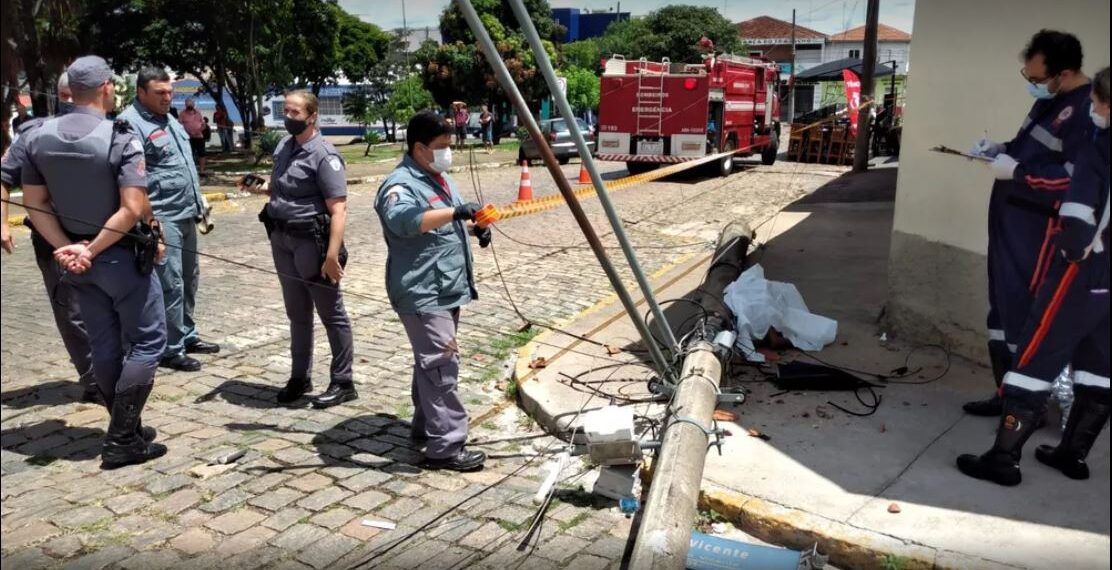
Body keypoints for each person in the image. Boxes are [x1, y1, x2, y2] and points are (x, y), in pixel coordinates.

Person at [958, 67, 1110, 487]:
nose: (1092, 109)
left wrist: (1069, 252)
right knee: (1101, 364)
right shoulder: (1051, 106)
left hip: (1085, 272)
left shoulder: (1100, 148)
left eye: (1098, 103)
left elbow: (1078, 216)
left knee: (1035, 357)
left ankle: (1003, 459)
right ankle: (1072, 455)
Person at [20, 55, 167, 469]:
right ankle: (122, 437)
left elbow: (35, 205)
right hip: (117, 258)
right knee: (148, 342)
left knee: (103, 346)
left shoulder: (37, 136)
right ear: (106, 88)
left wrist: (67, 248)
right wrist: (92, 249)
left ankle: (128, 427)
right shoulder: (120, 136)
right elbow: (131, 207)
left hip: (75, 262)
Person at [963, 30, 1093, 417]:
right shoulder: (1050, 102)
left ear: (1064, 73)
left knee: (1024, 314)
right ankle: (1005, 396)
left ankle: (1028, 407)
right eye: (1028, 77)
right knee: (1001, 310)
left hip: (1037, 230)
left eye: (1037, 80)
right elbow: (1031, 148)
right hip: (1010, 221)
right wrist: (1001, 150)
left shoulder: (1086, 111)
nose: (1032, 86)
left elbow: (1074, 177)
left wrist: (1018, 173)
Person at [373, 111, 492, 472]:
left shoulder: (439, 178)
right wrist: (457, 213)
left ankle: (426, 429)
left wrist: (473, 230)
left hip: (446, 289)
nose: (447, 154)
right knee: (441, 366)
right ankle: (446, 447)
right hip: (422, 292)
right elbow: (405, 221)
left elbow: (440, 229)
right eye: (441, 148)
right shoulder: (400, 185)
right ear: (419, 147)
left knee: (432, 364)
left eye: (449, 147)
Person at [250, 90, 357, 409]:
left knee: (331, 312)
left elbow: (339, 209)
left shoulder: (325, 155)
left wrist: (331, 255)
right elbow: (279, 187)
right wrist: (259, 186)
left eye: (296, 112)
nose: (289, 117)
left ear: (312, 116)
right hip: (281, 238)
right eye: (286, 111)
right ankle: (300, 377)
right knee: (297, 312)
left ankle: (343, 380)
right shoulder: (284, 146)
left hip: (312, 241)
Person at [1, 71, 102, 403]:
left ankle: (113, 370)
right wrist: (2, 224)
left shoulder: (106, 130)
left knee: (109, 307)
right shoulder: (36, 134)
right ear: (65, 97)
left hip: (104, 237)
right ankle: (93, 379)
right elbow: (3, 178)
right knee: (73, 311)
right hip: (56, 239)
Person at [119, 66, 221, 372]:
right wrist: (150, 222)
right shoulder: (130, 124)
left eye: (169, 92)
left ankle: (187, 334)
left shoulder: (170, 119)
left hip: (186, 212)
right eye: (160, 93)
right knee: (170, 283)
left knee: (190, 279)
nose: (167, 97)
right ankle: (169, 347)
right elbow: (133, 178)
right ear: (141, 92)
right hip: (162, 216)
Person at [178, 97, 206, 176]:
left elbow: (204, 125)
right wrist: (187, 133)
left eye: (191, 103)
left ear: (193, 104)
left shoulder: (198, 113)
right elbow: (179, 125)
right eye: (188, 103)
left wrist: (198, 131)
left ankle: (202, 170)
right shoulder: (182, 113)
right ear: (185, 105)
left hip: (199, 136)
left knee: (202, 153)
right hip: (188, 137)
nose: (189, 105)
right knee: (189, 154)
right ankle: (190, 171)